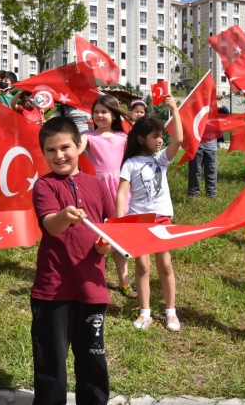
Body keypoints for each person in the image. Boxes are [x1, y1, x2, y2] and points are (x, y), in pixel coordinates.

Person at [31, 117, 116, 405]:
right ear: (43, 154)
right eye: (50, 150)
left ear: (80, 145)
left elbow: (110, 228)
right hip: (52, 289)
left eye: (65, 147)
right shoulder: (44, 186)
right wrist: (66, 216)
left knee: (93, 360)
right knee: (50, 364)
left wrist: (105, 245)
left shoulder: (99, 185)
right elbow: (51, 225)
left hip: (92, 288)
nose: (59, 155)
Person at [116, 95, 184, 331]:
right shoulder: (130, 163)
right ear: (141, 138)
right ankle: (145, 313)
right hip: (137, 222)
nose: (159, 140)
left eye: (161, 136)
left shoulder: (161, 159)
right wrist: (120, 223)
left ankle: (171, 313)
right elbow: (122, 194)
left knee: (165, 266)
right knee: (142, 267)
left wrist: (174, 108)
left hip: (162, 219)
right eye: (155, 136)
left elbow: (180, 139)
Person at [79, 95, 135, 298]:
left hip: (120, 190)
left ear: (113, 114)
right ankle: (92, 279)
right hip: (96, 190)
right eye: (96, 112)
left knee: (119, 237)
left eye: (104, 112)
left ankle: (124, 282)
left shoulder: (123, 137)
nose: (100, 115)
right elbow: (76, 148)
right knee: (95, 234)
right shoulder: (87, 136)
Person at [187, 104, 224, 201]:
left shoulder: (216, 108)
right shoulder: (198, 105)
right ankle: (193, 194)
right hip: (196, 146)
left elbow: (226, 114)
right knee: (195, 171)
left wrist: (221, 106)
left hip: (211, 147)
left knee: (211, 171)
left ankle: (211, 194)